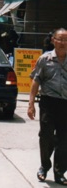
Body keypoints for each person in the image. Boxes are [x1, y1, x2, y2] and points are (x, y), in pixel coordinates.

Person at [27, 28, 67, 185]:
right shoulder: (45, 59)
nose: (63, 42)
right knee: (46, 136)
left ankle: (60, 173)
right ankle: (44, 166)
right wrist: (31, 104)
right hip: (48, 103)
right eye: (60, 39)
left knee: (65, 140)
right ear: (53, 40)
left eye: (65, 40)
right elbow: (35, 81)